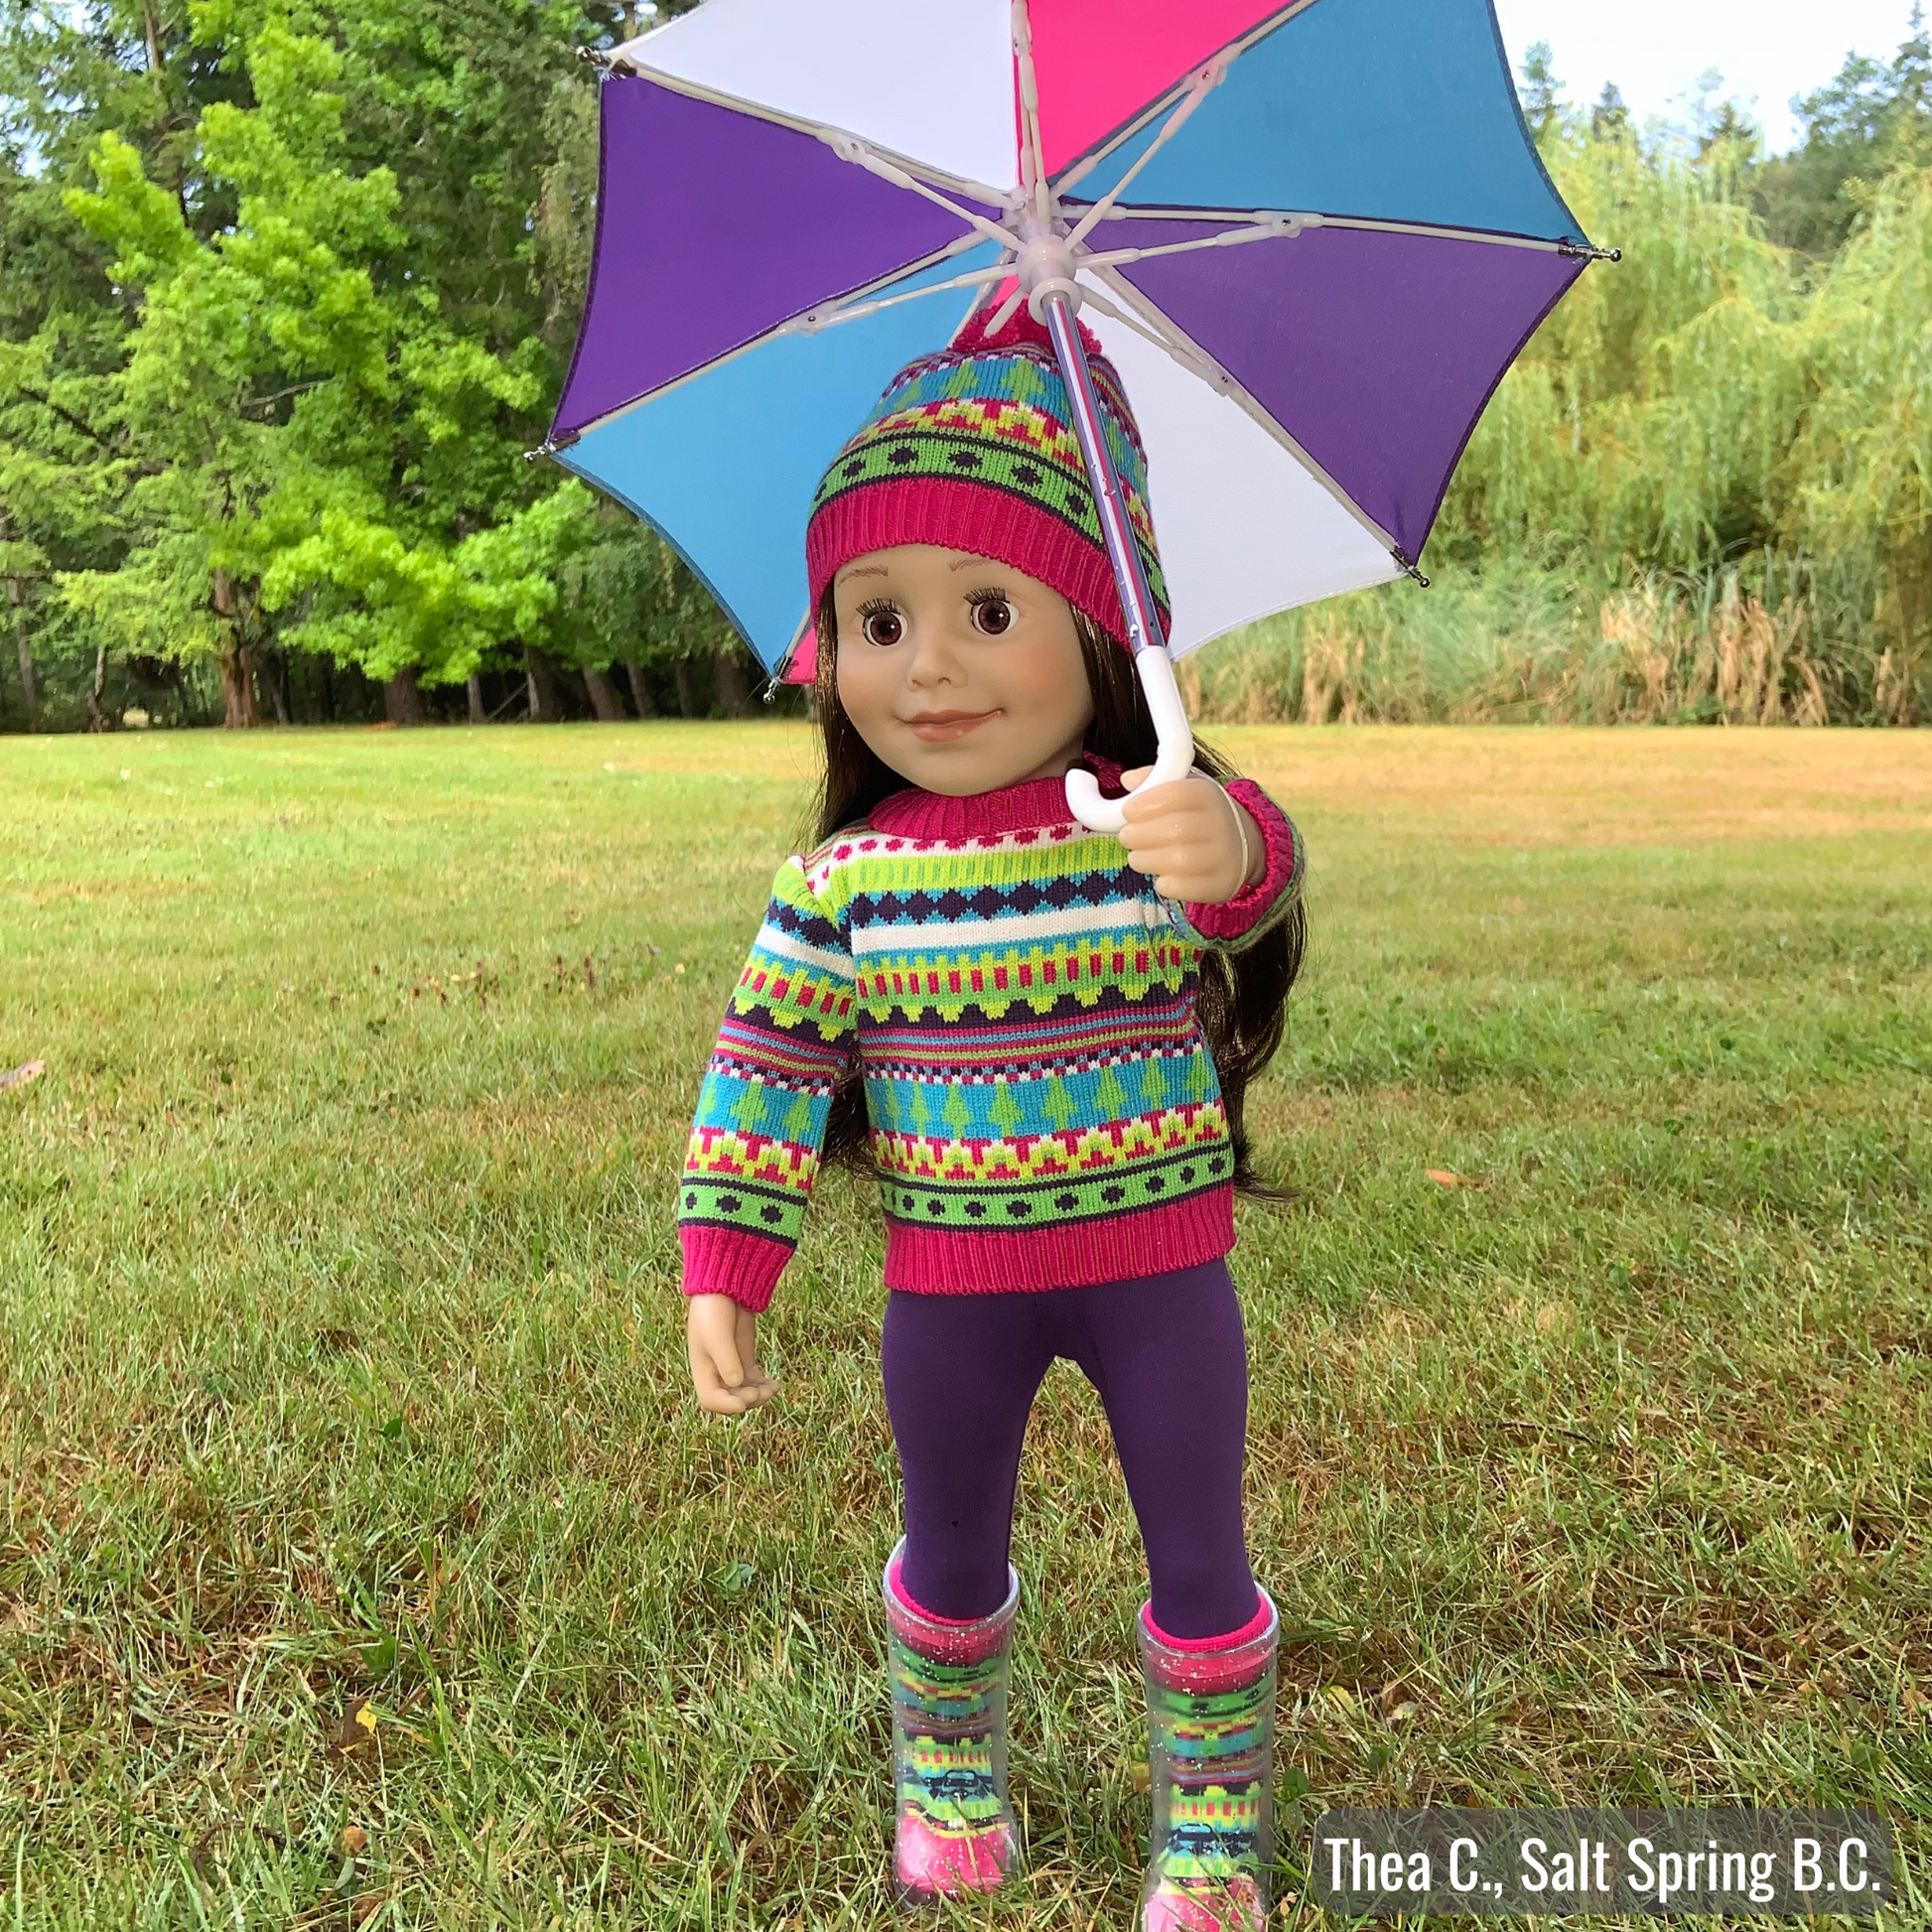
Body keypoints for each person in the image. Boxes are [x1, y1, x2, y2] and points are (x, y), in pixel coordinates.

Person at [677, 298, 1305, 1932]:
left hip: (1162, 1277)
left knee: (1199, 1553)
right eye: (875, 621)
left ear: (1104, 631)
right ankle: (948, 1777)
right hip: (947, 1292)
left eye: (983, 608)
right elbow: (765, 1070)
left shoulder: (1143, 822)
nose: (927, 665)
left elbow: (1249, 892)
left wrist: (1226, 849)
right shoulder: (843, 882)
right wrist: (723, 1260)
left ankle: (1211, 1831)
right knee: (946, 1539)